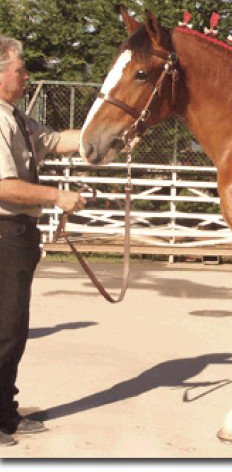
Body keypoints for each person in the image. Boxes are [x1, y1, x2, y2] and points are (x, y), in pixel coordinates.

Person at [0, 35, 86, 446]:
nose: (26, 74)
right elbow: (3, 187)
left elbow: (54, 141)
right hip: (4, 233)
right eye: (20, 68)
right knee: (6, 330)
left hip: (17, 235)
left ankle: (5, 415)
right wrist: (57, 196)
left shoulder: (16, 117)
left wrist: (108, 136)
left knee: (12, 330)